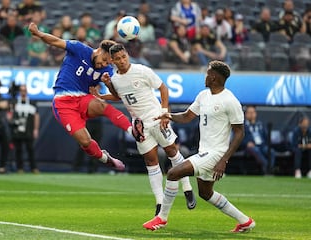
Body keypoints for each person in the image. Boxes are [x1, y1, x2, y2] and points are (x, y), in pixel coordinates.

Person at [143, 60, 255, 233]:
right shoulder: (203, 95)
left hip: (216, 154)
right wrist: (168, 116)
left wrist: (223, 160)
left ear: (215, 77)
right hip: (205, 151)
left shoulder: (230, 100)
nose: (205, 76)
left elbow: (240, 132)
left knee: (173, 173)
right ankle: (245, 221)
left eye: (208, 73)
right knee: (205, 193)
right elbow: (187, 116)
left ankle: (162, 218)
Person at [90, 43, 196, 216]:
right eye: (118, 59)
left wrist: (164, 113)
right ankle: (159, 203)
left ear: (127, 55)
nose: (122, 61)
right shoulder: (115, 79)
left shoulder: (142, 70)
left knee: (172, 152)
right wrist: (102, 95)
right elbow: (119, 96)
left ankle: (187, 189)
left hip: (156, 118)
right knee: (151, 162)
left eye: (124, 57)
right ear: (113, 61)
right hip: (139, 125)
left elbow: (163, 88)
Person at [28, 22, 134, 172]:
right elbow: (56, 41)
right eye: (104, 60)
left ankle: (132, 130)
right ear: (99, 50)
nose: (103, 64)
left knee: (102, 105)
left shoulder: (107, 70)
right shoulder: (79, 49)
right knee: (85, 141)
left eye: (108, 63)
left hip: (83, 99)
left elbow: (118, 96)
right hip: (63, 102)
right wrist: (38, 34)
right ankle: (106, 158)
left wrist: (108, 84)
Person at [8, 84, 40, 173]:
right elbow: (9, 114)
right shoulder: (14, 102)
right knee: (18, 149)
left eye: (24, 90)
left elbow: (36, 116)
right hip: (17, 131)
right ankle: (20, 168)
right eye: (21, 90)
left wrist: (36, 129)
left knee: (30, 149)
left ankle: (33, 168)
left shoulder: (32, 103)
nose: (23, 92)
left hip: (28, 130)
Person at [243, 105, 275, 175]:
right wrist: (246, 143)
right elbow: (239, 138)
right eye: (249, 112)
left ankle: (269, 169)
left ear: (256, 113)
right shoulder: (243, 126)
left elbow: (266, 137)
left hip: (262, 145)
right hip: (250, 146)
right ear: (245, 114)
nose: (251, 114)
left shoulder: (260, 124)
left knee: (271, 151)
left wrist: (268, 142)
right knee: (255, 150)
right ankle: (267, 168)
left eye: (253, 112)